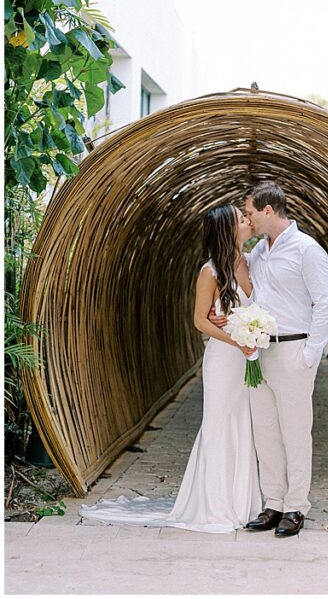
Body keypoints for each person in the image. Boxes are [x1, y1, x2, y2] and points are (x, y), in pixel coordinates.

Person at [81, 204, 263, 532]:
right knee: (219, 424)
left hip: (248, 357)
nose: (248, 221)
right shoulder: (210, 272)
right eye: (241, 218)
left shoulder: (252, 262)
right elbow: (198, 320)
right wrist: (238, 340)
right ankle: (214, 505)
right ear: (228, 229)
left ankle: (243, 502)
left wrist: (253, 332)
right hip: (224, 359)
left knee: (244, 424)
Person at [212, 181, 328, 538]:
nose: (247, 219)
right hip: (259, 350)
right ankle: (274, 503)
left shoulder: (307, 250)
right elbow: (233, 276)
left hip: (294, 350)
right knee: (265, 430)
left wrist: (310, 356)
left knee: (295, 430)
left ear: (269, 210)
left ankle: (297, 506)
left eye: (249, 212)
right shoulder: (258, 253)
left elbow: (325, 306)